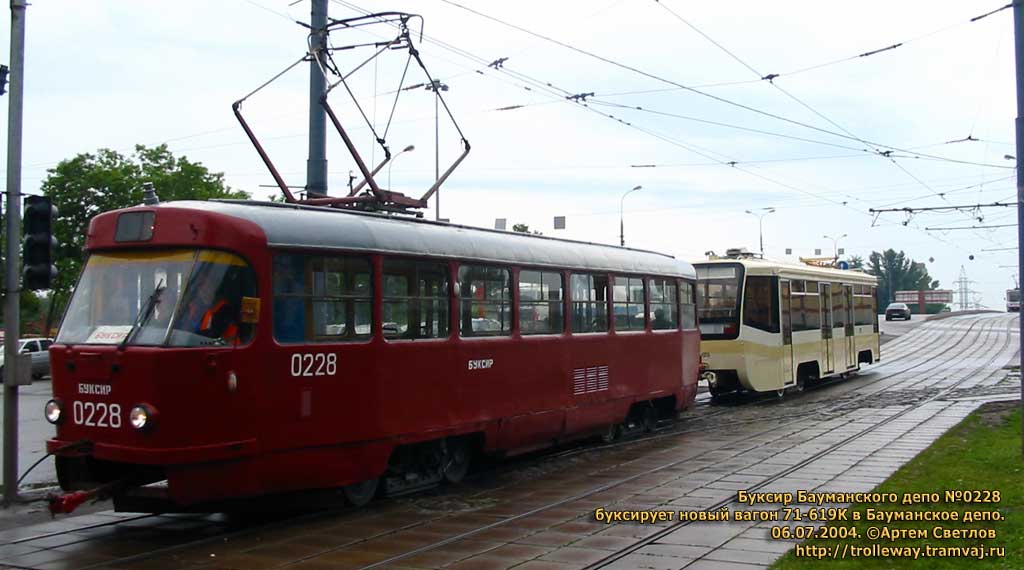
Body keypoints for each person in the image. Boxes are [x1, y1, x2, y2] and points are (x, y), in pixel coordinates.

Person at [180, 269, 238, 341]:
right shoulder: (192, 306)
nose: (203, 288)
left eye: (206, 283)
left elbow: (213, 335)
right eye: (200, 284)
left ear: (215, 285)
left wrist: (187, 336)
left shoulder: (225, 309)